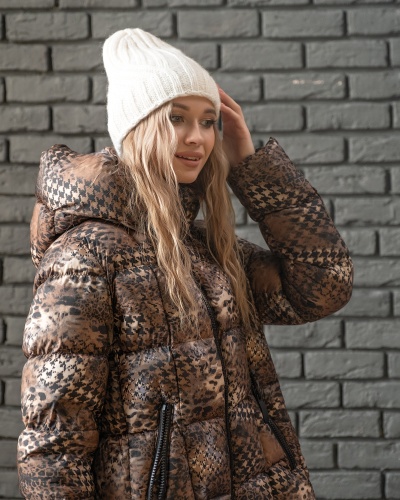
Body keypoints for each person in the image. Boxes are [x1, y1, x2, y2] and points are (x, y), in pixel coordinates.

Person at [17, 28, 353, 499]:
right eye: (176, 118)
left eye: (209, 121)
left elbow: (322, 285)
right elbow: (55, 444)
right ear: (137, 127)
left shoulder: (205, 249)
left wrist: (250, 164)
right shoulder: (85, 256)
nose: (198, 138)